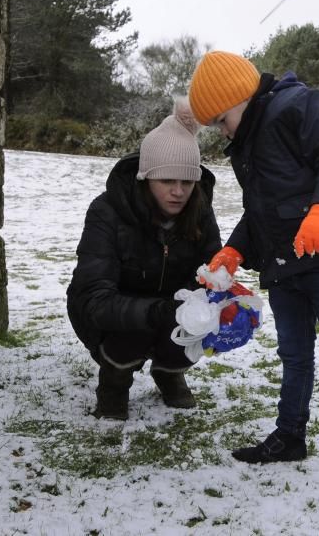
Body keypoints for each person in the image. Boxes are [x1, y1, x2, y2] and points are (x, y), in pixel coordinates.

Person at [187, 50, 319, 484]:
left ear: (241, 97)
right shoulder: (246, 145)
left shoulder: (301, 105)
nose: (221, 131)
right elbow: (260, 211)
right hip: (283, 263)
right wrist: (233, 252)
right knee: (294, 354)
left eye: (222, 119)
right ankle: (289, 435)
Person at [66, 99, 221, 419]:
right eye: (167, 181)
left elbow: (210, 271)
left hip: (170, 306)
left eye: (187, 182)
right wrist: (159, 312)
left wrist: (216, 296)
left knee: (199, 318)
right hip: (111, 314)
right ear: (146, 178)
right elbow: (95, 298)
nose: (179, 192)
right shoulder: (106, 211)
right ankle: (114, 381)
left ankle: (169, 371)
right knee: (131, 328)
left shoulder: (200, 212)